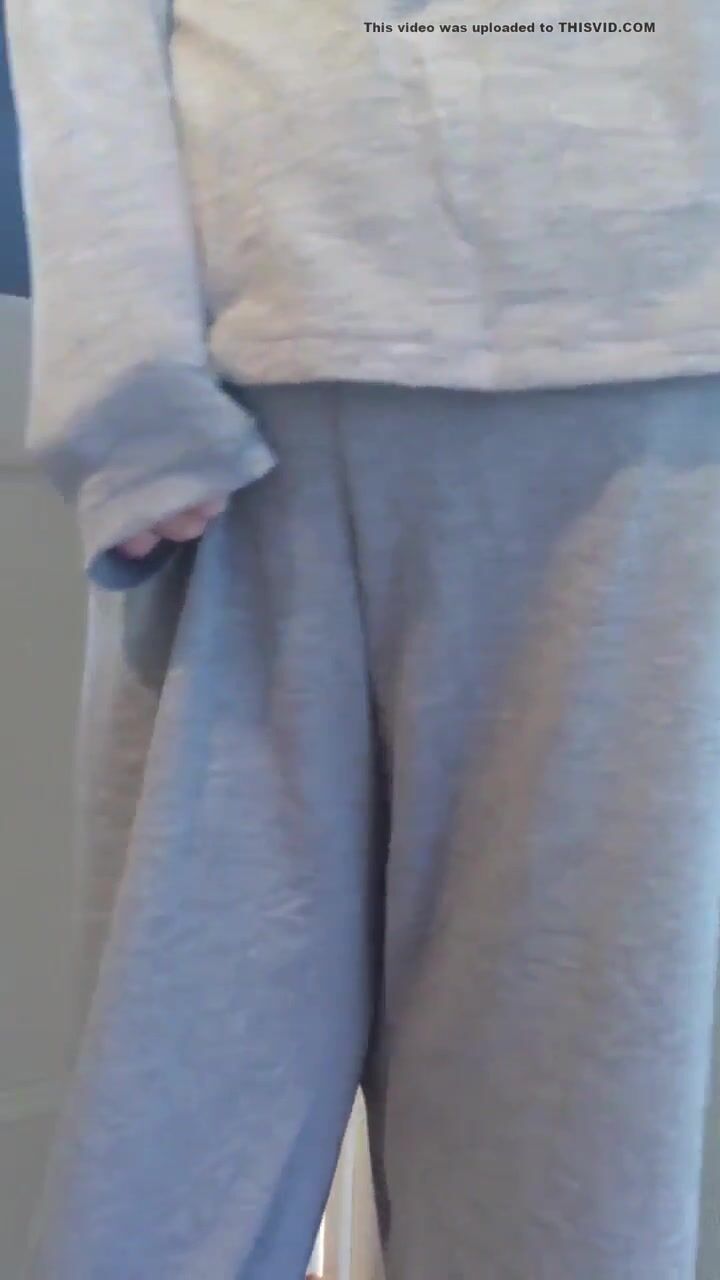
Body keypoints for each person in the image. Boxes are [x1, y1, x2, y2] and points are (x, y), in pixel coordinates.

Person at [7, 1, 720, 1277]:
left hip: (650, 349)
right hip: (251, 391)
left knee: (563, 1202)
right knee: (161, 1183)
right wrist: (119, 353)